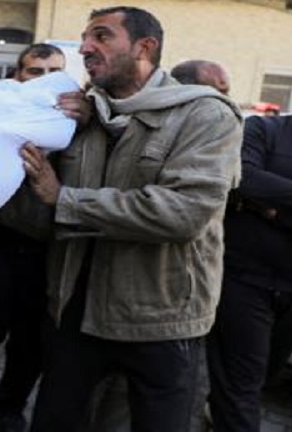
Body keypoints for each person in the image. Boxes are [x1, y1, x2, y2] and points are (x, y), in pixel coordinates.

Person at [14, 6, 242, 432]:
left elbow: (183, 213)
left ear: (144, 47)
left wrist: (66, 199)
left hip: (161, 318)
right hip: (74, 311)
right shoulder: (81, 114)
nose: (85, 48)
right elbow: (36, 209)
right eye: (85, 38)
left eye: (101, 36)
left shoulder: (205, 115)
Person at [86, 58, 234, 432]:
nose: (221, 100)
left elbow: (182, 214)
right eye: (216, 90)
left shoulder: (216, 122)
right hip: (94, 307)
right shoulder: (104, 115)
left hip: (168, 310)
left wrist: (66, 201)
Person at [0, 42, 83, 432]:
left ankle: (11, 404)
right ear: (18, 76)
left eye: (54, 72)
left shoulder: (80, 124)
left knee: (30, 341)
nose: (44, 81)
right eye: (35, 72)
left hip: (44, 252)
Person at [206, 113, 292, 431]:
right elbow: (245, 177)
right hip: (244, 279)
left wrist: (272, 211)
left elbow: (259, 190)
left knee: (264, 374)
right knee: (240, 385)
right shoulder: (263, 129)